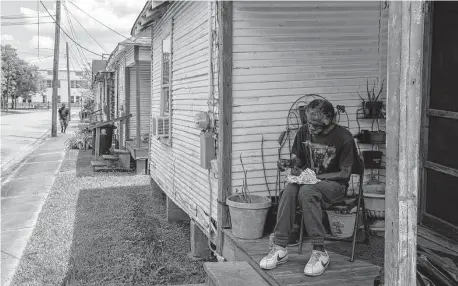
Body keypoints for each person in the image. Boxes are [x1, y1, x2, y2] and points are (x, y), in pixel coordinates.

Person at [259, 99, 358, 277]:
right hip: (309, 181)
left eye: (315, 124)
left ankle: (320, 251)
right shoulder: (304, 130)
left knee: (307, 191)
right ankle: (280, 247)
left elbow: (345, 174)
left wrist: (315, 178)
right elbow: (299, 160)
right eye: (308, 122)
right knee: (289, 190)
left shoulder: (344, 138)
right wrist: (289, 163)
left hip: (334, 186)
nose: (310, 128)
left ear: (329, 119)